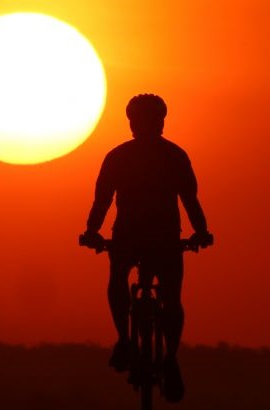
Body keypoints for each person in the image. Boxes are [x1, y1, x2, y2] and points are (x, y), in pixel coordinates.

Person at [80, 94, 213, 403]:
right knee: (168, 297)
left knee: (124, 284)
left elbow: (102, 201)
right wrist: (201, 233)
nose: (143, 125)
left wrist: (91, 233)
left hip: (138, 236)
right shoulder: (173, 156)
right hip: (159, 237)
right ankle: (161, 355)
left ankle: (132, 344)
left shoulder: (123, 156)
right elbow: (190, 200)